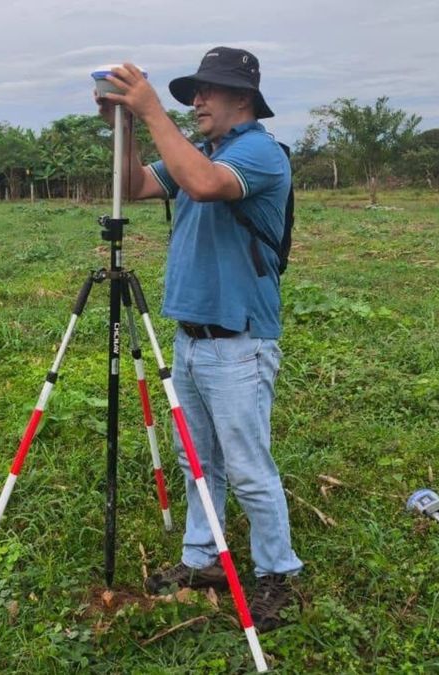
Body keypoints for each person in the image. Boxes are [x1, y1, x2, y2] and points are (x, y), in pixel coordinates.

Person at [96, 46, 301, 632]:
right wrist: (127, 125)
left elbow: (206, 185)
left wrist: (154, 110)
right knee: (196, 459)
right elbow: (134, 184)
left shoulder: (258, 153)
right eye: (192, 93)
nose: (198, 102)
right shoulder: (200, 151)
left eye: (208, 92)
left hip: (238, 340)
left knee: (246, 464)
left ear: (244, 99)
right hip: (191, 337)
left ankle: (277, 575)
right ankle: (202, 558)